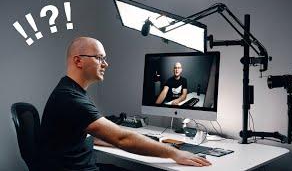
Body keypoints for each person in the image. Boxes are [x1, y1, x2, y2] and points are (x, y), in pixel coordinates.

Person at [39, 37, 211, 170]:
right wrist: (175, 153)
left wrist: (125, 140)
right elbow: (123, 138)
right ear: (78, 61)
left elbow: (90, 136)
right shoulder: (71, 99)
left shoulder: (71, 91)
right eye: (100, 58)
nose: (106, 64)